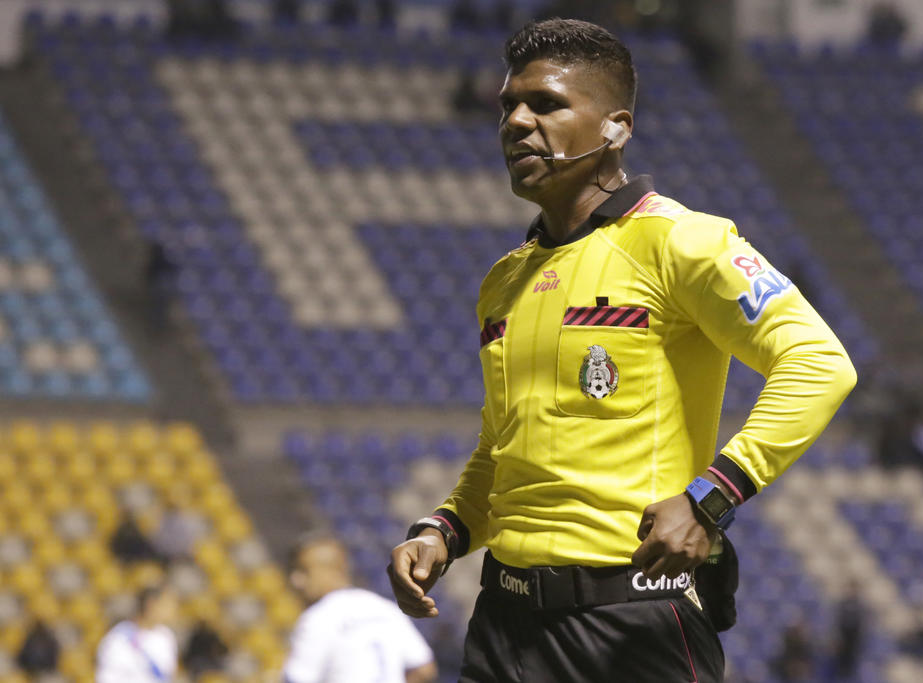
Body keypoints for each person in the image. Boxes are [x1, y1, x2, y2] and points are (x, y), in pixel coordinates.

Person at [388, 18, 857, 682]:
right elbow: (502, 447)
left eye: (546, 103)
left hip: (631, 622)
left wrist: (709, 499)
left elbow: (818, 362)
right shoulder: (504, 281)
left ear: (616, 128)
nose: (517, 121)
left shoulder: (680, 241)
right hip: (503, 625)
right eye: (509, 105)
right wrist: (444, 530)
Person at [284, 533, 437, 683]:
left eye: (303, 571)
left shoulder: (318, 619)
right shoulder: (384, 608)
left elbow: (297, 679)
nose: (295, 580)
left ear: (333, 569)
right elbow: (424, 669)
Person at [95, 582, 179, 683]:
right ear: (151, 604)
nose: (171, 610)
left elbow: (169, 674)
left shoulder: (166, 636)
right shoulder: (118, 638)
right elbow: (107, 677)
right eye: (166, 605)